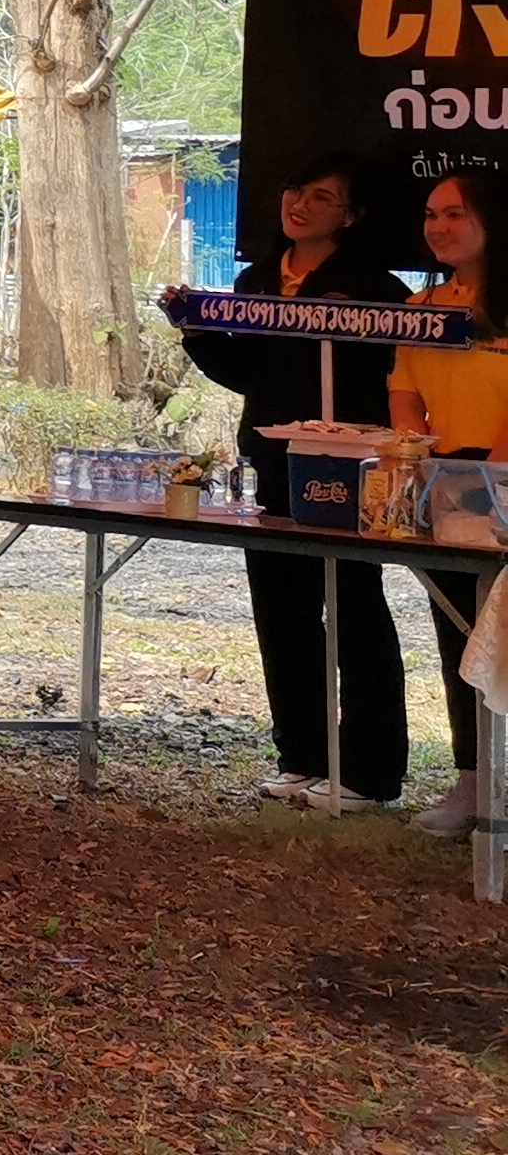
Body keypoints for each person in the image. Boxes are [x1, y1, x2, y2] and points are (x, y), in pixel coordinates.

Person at [161, 153, 411, 812]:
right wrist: (195, 328)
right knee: (282, 609)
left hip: (348, 464)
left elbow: (392, 372)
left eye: (322, 197)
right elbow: (250, 372)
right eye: (295, 190)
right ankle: (301, 755)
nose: (300, 204)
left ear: (350, 216)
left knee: (354, 607)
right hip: (273, 461)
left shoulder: (377, 288)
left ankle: (369, 771)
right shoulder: (258, 278)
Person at [392, 165, 508, 839]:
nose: (438, 227)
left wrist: (489, 482)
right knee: (461, 636)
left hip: (497, 484)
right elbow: (405, 395)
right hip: (445, 485)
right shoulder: (422, 307)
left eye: (455, 213)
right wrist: (419, 464)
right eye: (431, 215)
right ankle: (473, 780)